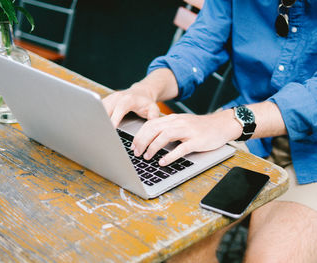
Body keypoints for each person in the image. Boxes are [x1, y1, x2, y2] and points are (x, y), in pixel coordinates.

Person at [103, 0, 317, 262]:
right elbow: (200, 46)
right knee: (180, 244)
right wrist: (146, 89)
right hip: (243, 131)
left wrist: (227, 122)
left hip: (309, 154)